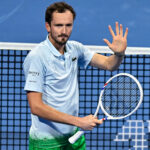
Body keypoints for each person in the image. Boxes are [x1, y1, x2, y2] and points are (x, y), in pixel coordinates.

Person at [23, 1, 128, 150]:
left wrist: (119, 53)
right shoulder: (37, 57)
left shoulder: (75, 49)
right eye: (58, 25)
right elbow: (36, 107)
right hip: (46, 143)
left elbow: (109, 64)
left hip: (74, 139)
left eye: (68, 25)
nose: (64, 31)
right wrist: (78, 121)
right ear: (48, 26)